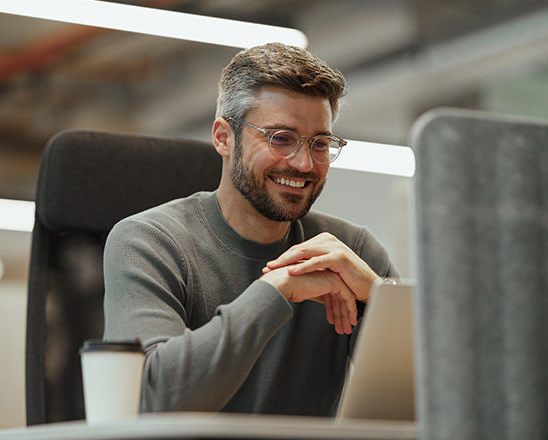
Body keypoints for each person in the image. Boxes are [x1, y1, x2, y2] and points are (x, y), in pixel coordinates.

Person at [102, 43, 398, 417]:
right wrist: (276, 290)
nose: (304, 164)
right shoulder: (148, 242)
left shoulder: (351, 252)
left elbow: (442, 396)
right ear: (224, 138)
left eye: (320, 143)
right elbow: (153, 397)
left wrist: (379, 296)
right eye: (281, 138)